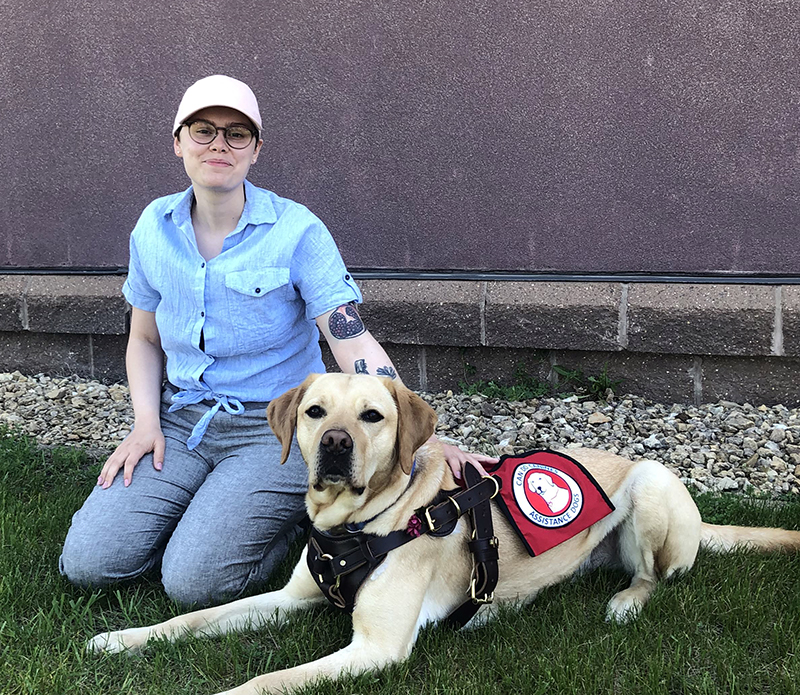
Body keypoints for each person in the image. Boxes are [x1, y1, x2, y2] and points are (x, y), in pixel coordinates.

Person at [60, 75, 496, 607]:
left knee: (192, 583)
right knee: (88, 563)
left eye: (236, 133)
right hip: (182, 421)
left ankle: (283, 521)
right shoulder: (153, 228)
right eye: (203, 130)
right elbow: (145, 339)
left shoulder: (297, 231)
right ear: (178, 142)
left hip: (278, 428)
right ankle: (207, 506)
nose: (219, 144)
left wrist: (417, 437)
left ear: (255, 149)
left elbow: (350, 339)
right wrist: (145, 426)